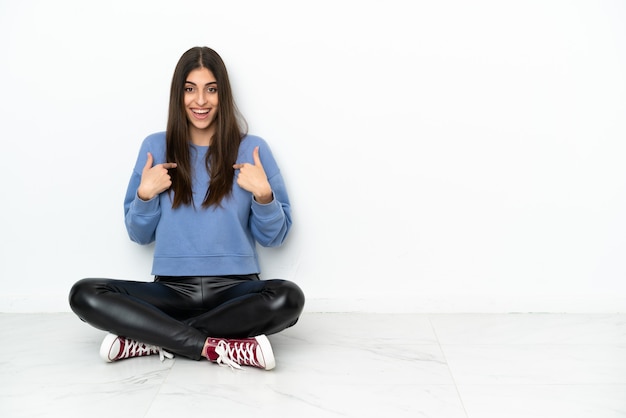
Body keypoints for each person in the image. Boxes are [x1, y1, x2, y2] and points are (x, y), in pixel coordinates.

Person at [69, 46, 305, 371]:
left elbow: (275, 238)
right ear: (178, 95)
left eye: (211, 89)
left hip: (235, 290)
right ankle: (217, 345)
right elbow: (138, 235)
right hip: (170, 291)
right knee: (85, 293)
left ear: (223, 94)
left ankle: (152, 338)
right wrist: (145, 196)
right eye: (190, 89)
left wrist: (264, 197)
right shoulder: (155, 147)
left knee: (288, 297)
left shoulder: (253, 149)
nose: (201, 101)